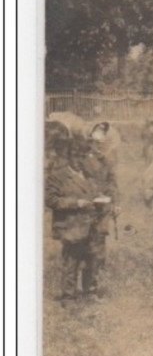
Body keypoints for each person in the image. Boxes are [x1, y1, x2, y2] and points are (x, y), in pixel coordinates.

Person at [45, 135, 106, 302]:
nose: (80, 160)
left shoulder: (89, 174)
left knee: (92, 260)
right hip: (71, 225)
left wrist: (102, 199)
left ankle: (90, 292)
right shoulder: (58, 176)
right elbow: (51, 200)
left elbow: (96, 192)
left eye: (84, 156)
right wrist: (76, 203)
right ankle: (68, 296)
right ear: (68, 156)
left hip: (91, 224)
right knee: (71, 262)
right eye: (76, 156)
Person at [77, 129, 119, 290]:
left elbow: (113, 183)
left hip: (103, 208)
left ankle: (96, 280)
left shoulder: (106, 161)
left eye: (103, 144)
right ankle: (84, 283)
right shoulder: (80, 162)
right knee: (84, 243)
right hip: (86, 208)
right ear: (90, 143)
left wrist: (115, 202)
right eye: (97, 143)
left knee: (100, 241)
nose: (100, 147)